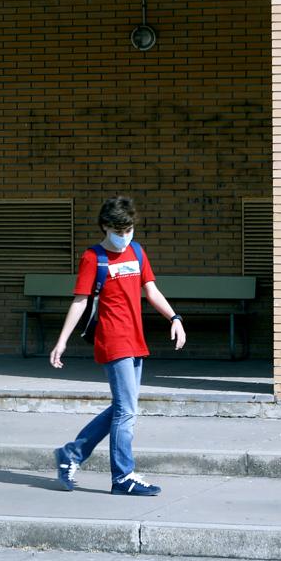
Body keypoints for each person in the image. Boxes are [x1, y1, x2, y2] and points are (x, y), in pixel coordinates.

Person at [50, 196, 186, 496]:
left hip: (136, 338)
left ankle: (71, 453)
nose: (124, 236)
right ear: (104, 227)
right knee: (127, 411)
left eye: (128, 229)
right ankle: (122, 477)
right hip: (112, 339)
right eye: (118, 230)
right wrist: (61, 342)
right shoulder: (93, 257)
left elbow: (151, 290)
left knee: (123, 408)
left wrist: (174, 317)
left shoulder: (137, 252)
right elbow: (80, 300)